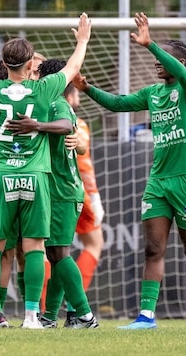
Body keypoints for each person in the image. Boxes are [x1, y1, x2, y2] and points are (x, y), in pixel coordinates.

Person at [74, 12, 186, 330]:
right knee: (153, 247)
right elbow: (117, 103)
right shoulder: (152, 94)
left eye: (164, 60)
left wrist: (150, 44)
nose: (157, 64)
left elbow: (182, 75)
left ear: (179, 63)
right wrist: (87, 88)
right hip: (158, 180)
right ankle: (145, 317)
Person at [0, 12, 92, 329]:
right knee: (35, 247)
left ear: (3, 63)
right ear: (30, 65)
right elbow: (72, 68)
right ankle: (31, 316)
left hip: (0, 176)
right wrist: (82, 39)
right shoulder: (43, 90)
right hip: (35, 176)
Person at [12, 58, 98, 329]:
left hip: (62, 191)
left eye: (38, 73)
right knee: (56, 253)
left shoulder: (55, 102)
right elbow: (72, 135)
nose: (34, 77)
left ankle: (84, 315)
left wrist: (35, 126)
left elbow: (64, 127)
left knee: (60, 253)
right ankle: (49, 316)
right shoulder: (47, 103)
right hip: (59, 190)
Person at [74, 116, 105, 295]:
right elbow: (84, 165)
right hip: (75, 192)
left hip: (43, 189)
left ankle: (43, 310)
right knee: (95, 243)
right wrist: (94, 197)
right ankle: (75, 304)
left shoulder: (40, 114)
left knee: (40, 249)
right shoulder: (76, 122)